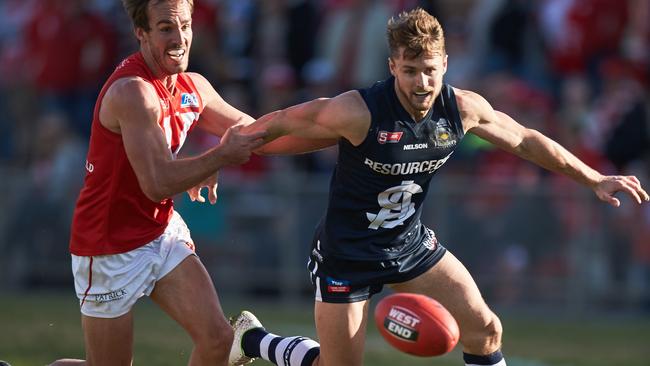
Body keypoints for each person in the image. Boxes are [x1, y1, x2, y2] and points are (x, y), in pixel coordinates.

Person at [228, 7, 650, 366]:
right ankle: (251, 340)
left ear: (445, 63)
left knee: (485, 330)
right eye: (410, 71)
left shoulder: (461, 108)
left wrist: (593, 177)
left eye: (429, 70)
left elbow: (524, 139)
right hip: (346, 255)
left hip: (410, 246)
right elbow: (276, 123)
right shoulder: (356, 111)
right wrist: (216, 159)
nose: (422, 82)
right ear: (392, 66)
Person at [47, 1, 270, 365]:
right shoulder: (131, 91)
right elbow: (157, 182)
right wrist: (217, 157)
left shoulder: (192, 86)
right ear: (141, 33)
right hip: (108, 245)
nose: (179, 37)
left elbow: (261, 132)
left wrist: (340, 132)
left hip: (159, 230)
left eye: (185, 25)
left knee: (219, 341)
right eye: (166, 27)